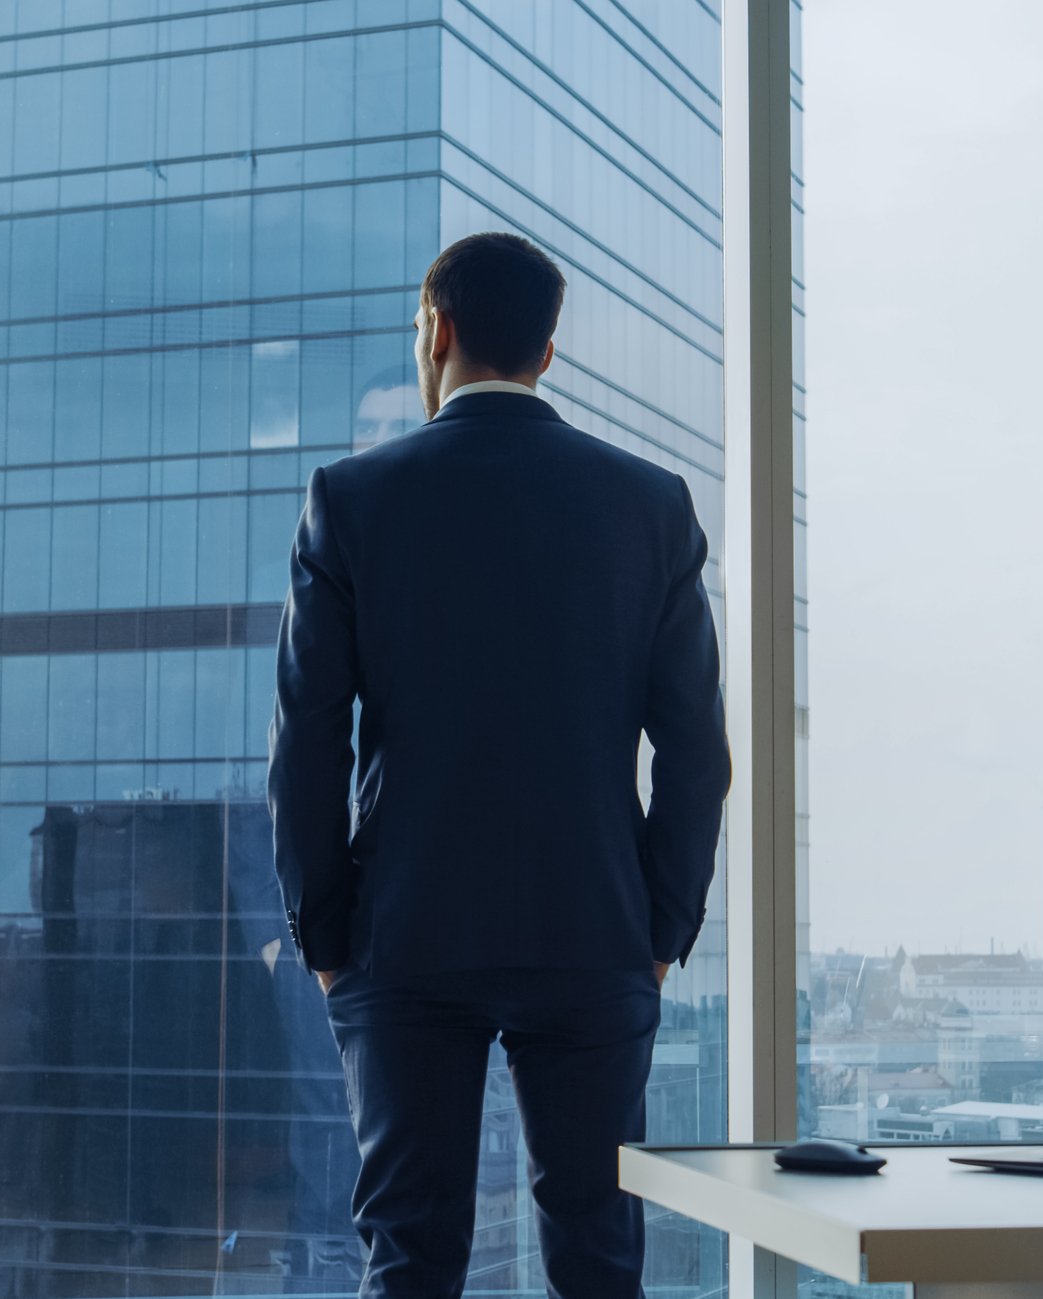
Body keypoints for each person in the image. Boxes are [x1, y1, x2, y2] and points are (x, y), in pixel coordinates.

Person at [267, 231, 730, 1299]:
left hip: (406, 932)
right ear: (547, 354)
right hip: (592, 931)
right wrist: (657, 926)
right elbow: (696, 752)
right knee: (595, 1255)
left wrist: (326, 934)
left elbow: (306, 741)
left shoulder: (349, 500)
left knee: (410, 1256)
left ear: (437, 329)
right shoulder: (649, 506)